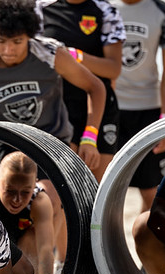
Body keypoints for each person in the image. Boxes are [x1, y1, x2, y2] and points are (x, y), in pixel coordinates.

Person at [0, 0, 106, 271]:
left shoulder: (51, 54)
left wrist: (89, 137)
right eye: (1, 41)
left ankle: (34, 268)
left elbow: (96, 87)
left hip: (50, 139)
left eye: (17, 42)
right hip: (3, 143)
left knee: (49, 201)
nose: (8, 49)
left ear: (29, 36)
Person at [35, 0, 125, 182]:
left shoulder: (106, 11)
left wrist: (75, 56)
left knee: (98, 190)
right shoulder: (40, 8)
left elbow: (114, 69)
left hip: (99, 107)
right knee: (63, 187)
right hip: (60, 107)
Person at [113, 0, 165, 212]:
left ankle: (145, 244)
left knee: (156, 194)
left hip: (150, 110)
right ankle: (105, 244)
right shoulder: (103, 9)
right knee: (106, 191)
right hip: (110, 110)